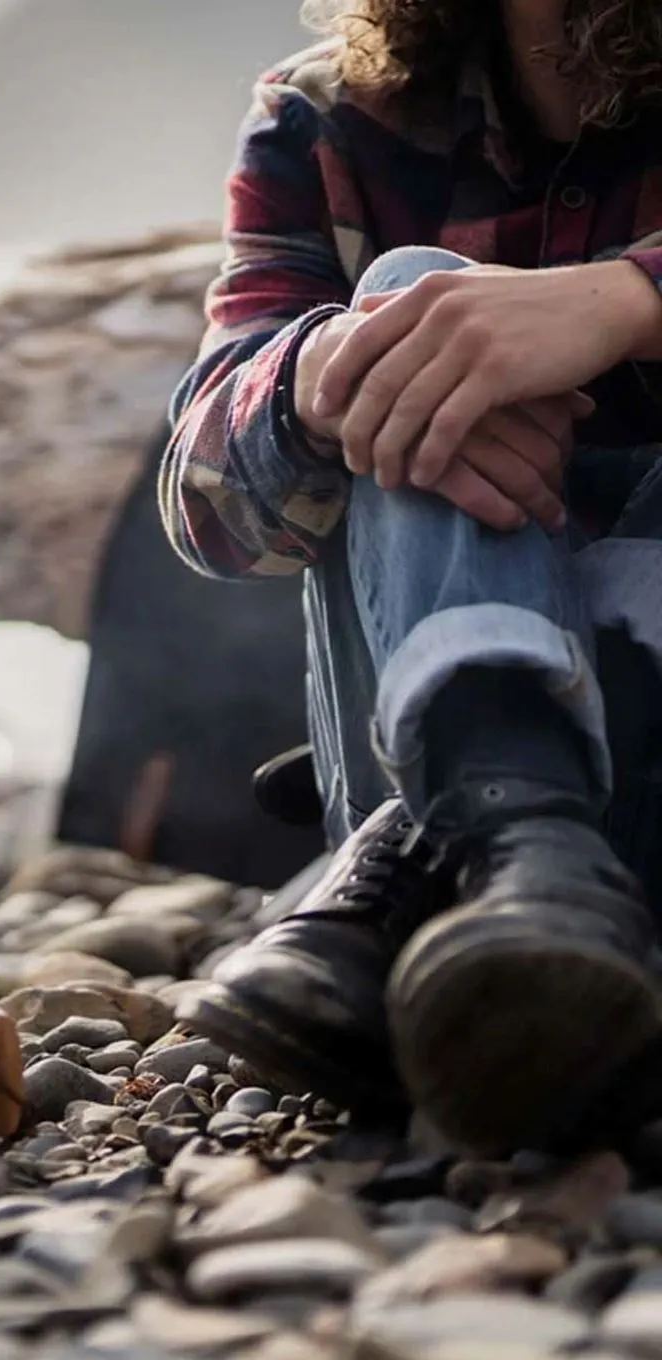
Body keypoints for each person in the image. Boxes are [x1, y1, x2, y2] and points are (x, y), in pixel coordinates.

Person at [160, 0, 662, 1153]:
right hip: (430, 755)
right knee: (407, 303)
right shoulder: (326, 120)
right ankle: (524, 850)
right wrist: (325, 377)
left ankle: (429, 893)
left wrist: (624, 304)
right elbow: (206, 516)